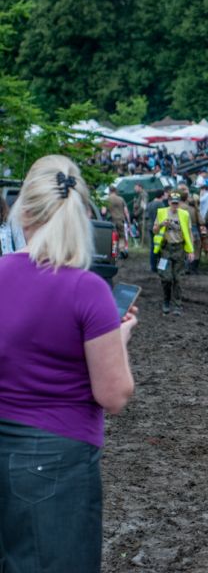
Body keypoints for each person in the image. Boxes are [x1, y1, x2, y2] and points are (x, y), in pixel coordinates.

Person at [0, 155, 136, 572]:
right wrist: (119, 339)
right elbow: (114, 395)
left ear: (22, 211)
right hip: (56, 458)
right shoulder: (87, 290)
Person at [152, 192, 195, 315]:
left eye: (177, 203)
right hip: (165, 249)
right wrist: (161, 224)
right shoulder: (161, 213)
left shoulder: (185, 214)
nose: (174, 205)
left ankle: (177, 305)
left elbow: (189, 232)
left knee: (178, 278)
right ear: (169, 202)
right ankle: (166, 301)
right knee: (166, 277)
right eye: (172, 202)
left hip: (179, 249)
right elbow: (154, 230)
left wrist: (191, 250)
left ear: (179, 203)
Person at [107, 185, 130, 258]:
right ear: (115, 191)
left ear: (109, 191)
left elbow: (103, 211)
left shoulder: (107, 199)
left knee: (113, 236)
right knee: (121, 236)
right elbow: (126, 211)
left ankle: (113, 251)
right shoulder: (121, 199)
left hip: (111, 221)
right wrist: (128, 221)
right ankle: (122, 250)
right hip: (121, 220)